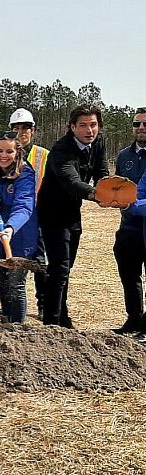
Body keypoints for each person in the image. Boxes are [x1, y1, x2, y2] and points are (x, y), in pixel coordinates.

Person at [37, 106, 110, 328]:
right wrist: (97, 195)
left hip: (72, 213)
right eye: (83, 125)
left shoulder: (98, 144)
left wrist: (111, 189)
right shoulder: (61, 150)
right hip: (52, 213)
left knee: (65, 269)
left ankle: (63, 318)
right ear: (72, 127)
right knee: (59, 268)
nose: (90, 130)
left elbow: (102, 174)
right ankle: (51, 324)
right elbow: (71, 182)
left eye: (93, 125)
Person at [0, 132, 38, 324]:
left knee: (16, 285)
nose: (3, 155)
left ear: (18, 153)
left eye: (9, 151)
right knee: (2, 282)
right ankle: (6, 323)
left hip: (20, 235)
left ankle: (18, 329)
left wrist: (11, 228)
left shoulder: (26, 174)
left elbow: (24, 205)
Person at [9, 108, 49, 321]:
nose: (20, 131)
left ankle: (43, 303)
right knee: (14, 261)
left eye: (25, 127)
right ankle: (11, 307)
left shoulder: (43, 155)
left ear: (33, 131)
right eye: (16, 128)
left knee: (39, 260)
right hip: (15, 216)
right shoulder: (6, 152)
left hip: (38, 215)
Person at [112, 108, 146, 334]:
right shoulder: (124, 156)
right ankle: (134, 318)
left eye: (145, 123)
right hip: (129, 226)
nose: (141, 128)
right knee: (129, 274)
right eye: (136, 124)